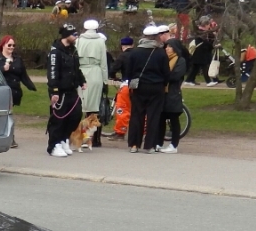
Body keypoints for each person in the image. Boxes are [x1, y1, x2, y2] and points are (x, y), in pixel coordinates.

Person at [119, 24, 171, 152]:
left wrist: (131, 81)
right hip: (156, 87)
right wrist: (164, 83)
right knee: (153, 116)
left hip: (138, 87)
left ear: (144, 37)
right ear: (156, 37)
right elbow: (166, 72)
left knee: (137, 115)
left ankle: (134, 144)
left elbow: (128, 72)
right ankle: (150, 145)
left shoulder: (135, 52)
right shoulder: (160, 53)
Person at [45, 23, 84, 157]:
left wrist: (82, 81)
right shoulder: (55, 52)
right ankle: (54, 145)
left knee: (76, 115)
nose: (76, 36)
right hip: (59, 91)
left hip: (72, 89)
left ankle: (64, 139)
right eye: (74, 34)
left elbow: (76, 68)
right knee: (58, 119)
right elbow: (52, 73)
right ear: (66, 36)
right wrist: (54, 91)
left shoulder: (73, 50)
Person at [158, 37, 188, 153]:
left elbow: (175, 76)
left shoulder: (180, 61)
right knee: (161, 119)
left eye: (170, 47)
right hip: (162, 94)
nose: (168, 49)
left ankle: (174, 145)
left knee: (174, 119)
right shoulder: (164, 59)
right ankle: (158, 142)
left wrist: (163, 75)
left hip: (173, 93)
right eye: (167, 46)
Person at [76, 19, 108, 124]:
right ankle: (92, 135)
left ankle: (80, 132)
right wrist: (105, 80)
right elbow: (103, 63)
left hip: (81, 71)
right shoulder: (100, 41)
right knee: (94, 106)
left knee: (80, 103)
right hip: (96, 72)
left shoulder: (78, 40)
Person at [188, 16, 218, 85]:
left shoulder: (202, 31)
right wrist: (212, 46)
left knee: (196, 67)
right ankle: (208, 82)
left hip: (200, 53)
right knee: (205, 66)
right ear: (205, 24)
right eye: (208, 24)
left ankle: (189, 80)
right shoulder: (201, 32)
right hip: (200, 53)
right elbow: (205, 42)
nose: (209, 26)